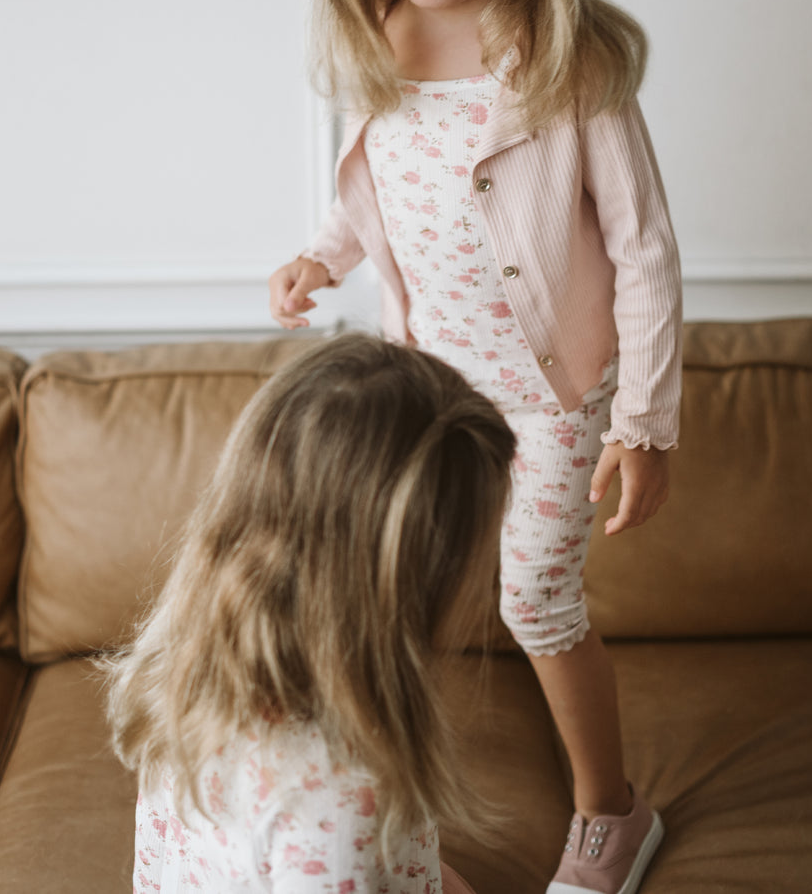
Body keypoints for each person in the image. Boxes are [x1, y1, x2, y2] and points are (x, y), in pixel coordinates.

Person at [268, 0, 681, 892]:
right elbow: (381, 190)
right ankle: (382, 797)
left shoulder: (564, 60)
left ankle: (610, 811)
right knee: (376, 579)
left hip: (550, 395)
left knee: (533, 595)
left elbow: (641, 252)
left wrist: (642, 421)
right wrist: (320, 257)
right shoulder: (376, 31)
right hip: (428, 391)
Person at [106, 333, 516, 893]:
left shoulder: (187, 649)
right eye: (486, 544)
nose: (491, 568)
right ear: (408, 591)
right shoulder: (337, 798)